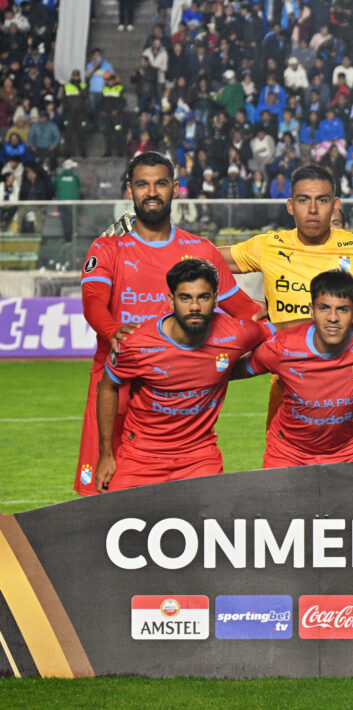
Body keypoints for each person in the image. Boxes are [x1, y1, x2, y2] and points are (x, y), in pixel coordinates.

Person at [76, 152, 262, 496]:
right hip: (116, 384)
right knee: (102, 493)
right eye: (142, 184)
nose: (151, 192)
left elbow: (246, 311)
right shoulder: (108, 247)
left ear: (175, 189)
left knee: (188, 500)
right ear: (129, 190)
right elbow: (93, 304)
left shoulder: (201, 250)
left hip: (178, 387)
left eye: (160, 183)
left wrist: (305, 320)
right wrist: (114, 331)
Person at [218, 163, 353, 427]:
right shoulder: (269, 246)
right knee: (283, 463)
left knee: (352, 464)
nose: (313, 209)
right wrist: (243, 305)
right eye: (303, 200)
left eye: (322, 200)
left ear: (335, 204)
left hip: (345, 384)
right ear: (290, 205)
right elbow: (207, 260)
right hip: (287, 382)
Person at [95, 259, 274, 492]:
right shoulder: (136, 343)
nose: (195, 307)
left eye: (203, 297)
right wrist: (106, 455)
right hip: (141, 457)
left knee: (212, 524)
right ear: (171, 300)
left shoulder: (235, 334)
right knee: (116, 523)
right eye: (185, 298)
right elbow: (107, 387)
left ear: (216, 298)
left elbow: (282, 332)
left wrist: (278, 308)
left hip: (199, 458)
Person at [237, 269, 353, 467]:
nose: (332, 317)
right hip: (288, 453)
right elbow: (233, 370)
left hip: (350, 452)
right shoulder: (282, 347)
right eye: (324, 308)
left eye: (342, 309)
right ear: (312, 310)